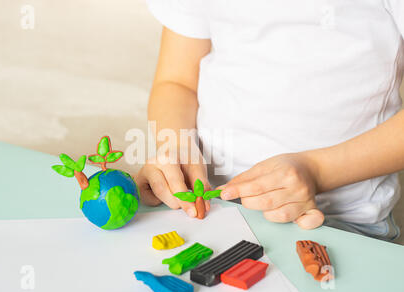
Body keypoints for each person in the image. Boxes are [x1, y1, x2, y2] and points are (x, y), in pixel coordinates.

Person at [135, 0, 404, 241]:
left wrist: (318, 171)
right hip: (211, 206)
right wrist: (177, 146)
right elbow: (177, 82)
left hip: (341, 220)